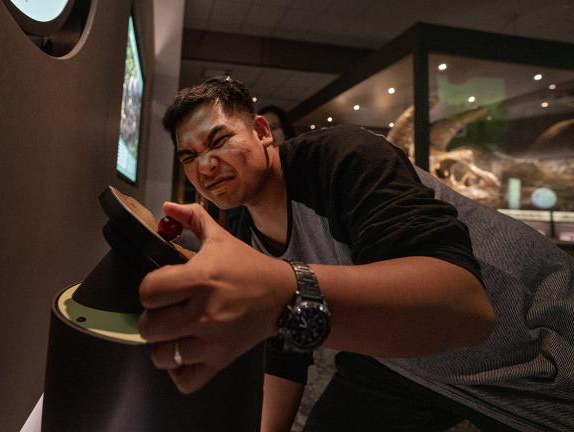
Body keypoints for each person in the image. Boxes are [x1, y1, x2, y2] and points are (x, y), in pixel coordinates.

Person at [137, 76, 574, 431]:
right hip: (398, 362)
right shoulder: (239, 226)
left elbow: (464, 307)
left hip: (537, 351)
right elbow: (285, 352)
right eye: (189, 157)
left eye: (218, 142)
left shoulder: (342, 155)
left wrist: (283, 291)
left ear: (263, 132)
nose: (206, 166)